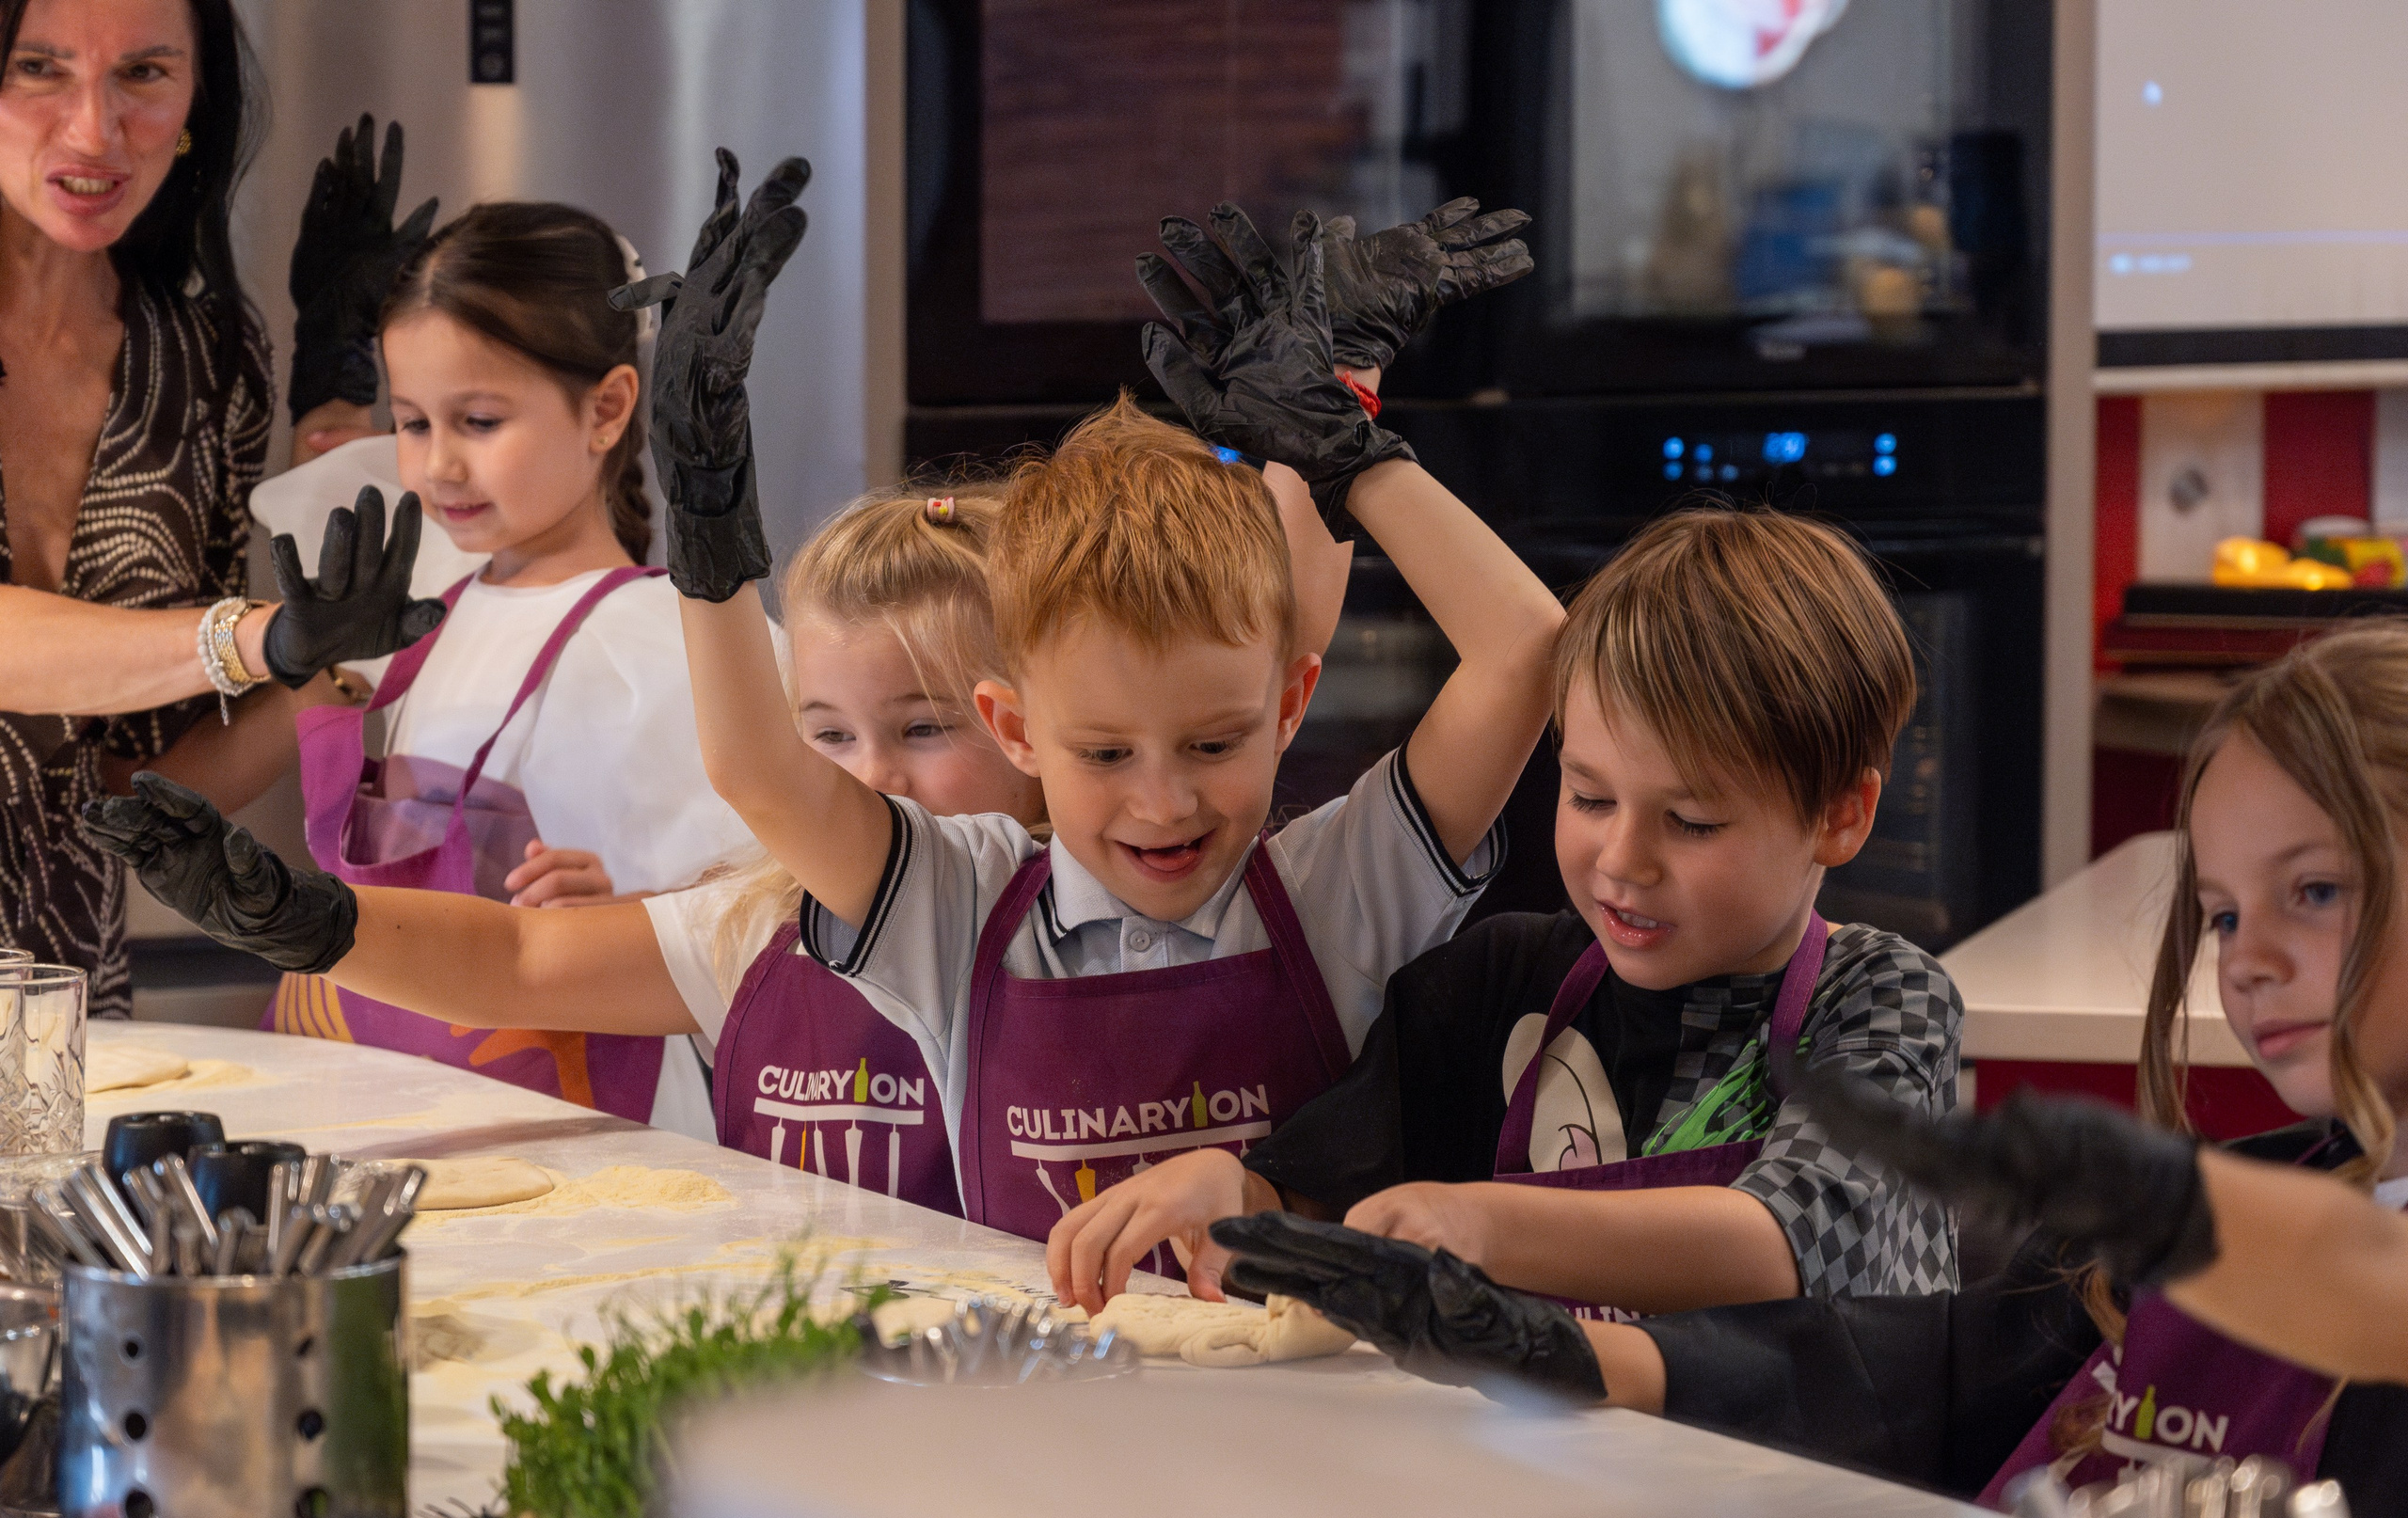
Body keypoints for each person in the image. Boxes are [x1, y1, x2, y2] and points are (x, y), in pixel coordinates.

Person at [1209, 623, 2408, 1518]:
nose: (2246, 961)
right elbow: (1910, 1375)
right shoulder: (2257, 1199)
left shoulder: (2262, 1232)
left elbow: (2369, 1291)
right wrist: (1568, 1355)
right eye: (2224, 914)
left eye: (2311, 890)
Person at [650, 161, 1563, 1251]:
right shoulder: (958, 910)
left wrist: (1348, 451)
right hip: (1029, 1413)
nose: (1164, 801)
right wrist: (704, 520)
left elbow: (1527, 648)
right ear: (1016, 731)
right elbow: (760, 770)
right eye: (1104, 753)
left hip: (1307, 1417)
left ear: (1291, 706)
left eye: (1214, 741)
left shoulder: (1338, 891)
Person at [1051, 506, 1959, 1315]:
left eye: (1691, 821)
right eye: (1591, 798)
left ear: (1840, 816)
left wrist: (1479, 1221)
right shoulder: (1502, 983)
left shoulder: (1884, 998)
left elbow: (1784, 1242)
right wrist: (1233, 1194)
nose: (1621, 859)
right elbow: (1314, 1196)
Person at [80, 483, 1048, 1185]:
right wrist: (301, 923)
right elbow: (520, 956)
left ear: (1030, 729)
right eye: (826, 735)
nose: (868, 778)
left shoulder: (1070, 928)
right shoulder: (757, 925)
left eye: (924, 729)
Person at [261, 199, 754, 1133]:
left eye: (480, 421)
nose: (438, 465)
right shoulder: (430, 612)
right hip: (394, 1116)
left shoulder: (670, 644)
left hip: (589, 1146)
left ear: (607, 409)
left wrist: (625, 914)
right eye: (412, 423)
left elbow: (770, 933)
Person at [0, 1, 427, 1009]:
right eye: (38, 68)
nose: (94, 132)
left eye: (143, 73)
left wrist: (335, 658)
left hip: (65, 1023)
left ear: (198, 98)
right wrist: (256, 638)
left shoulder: (206, 361)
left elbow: (129, 791)